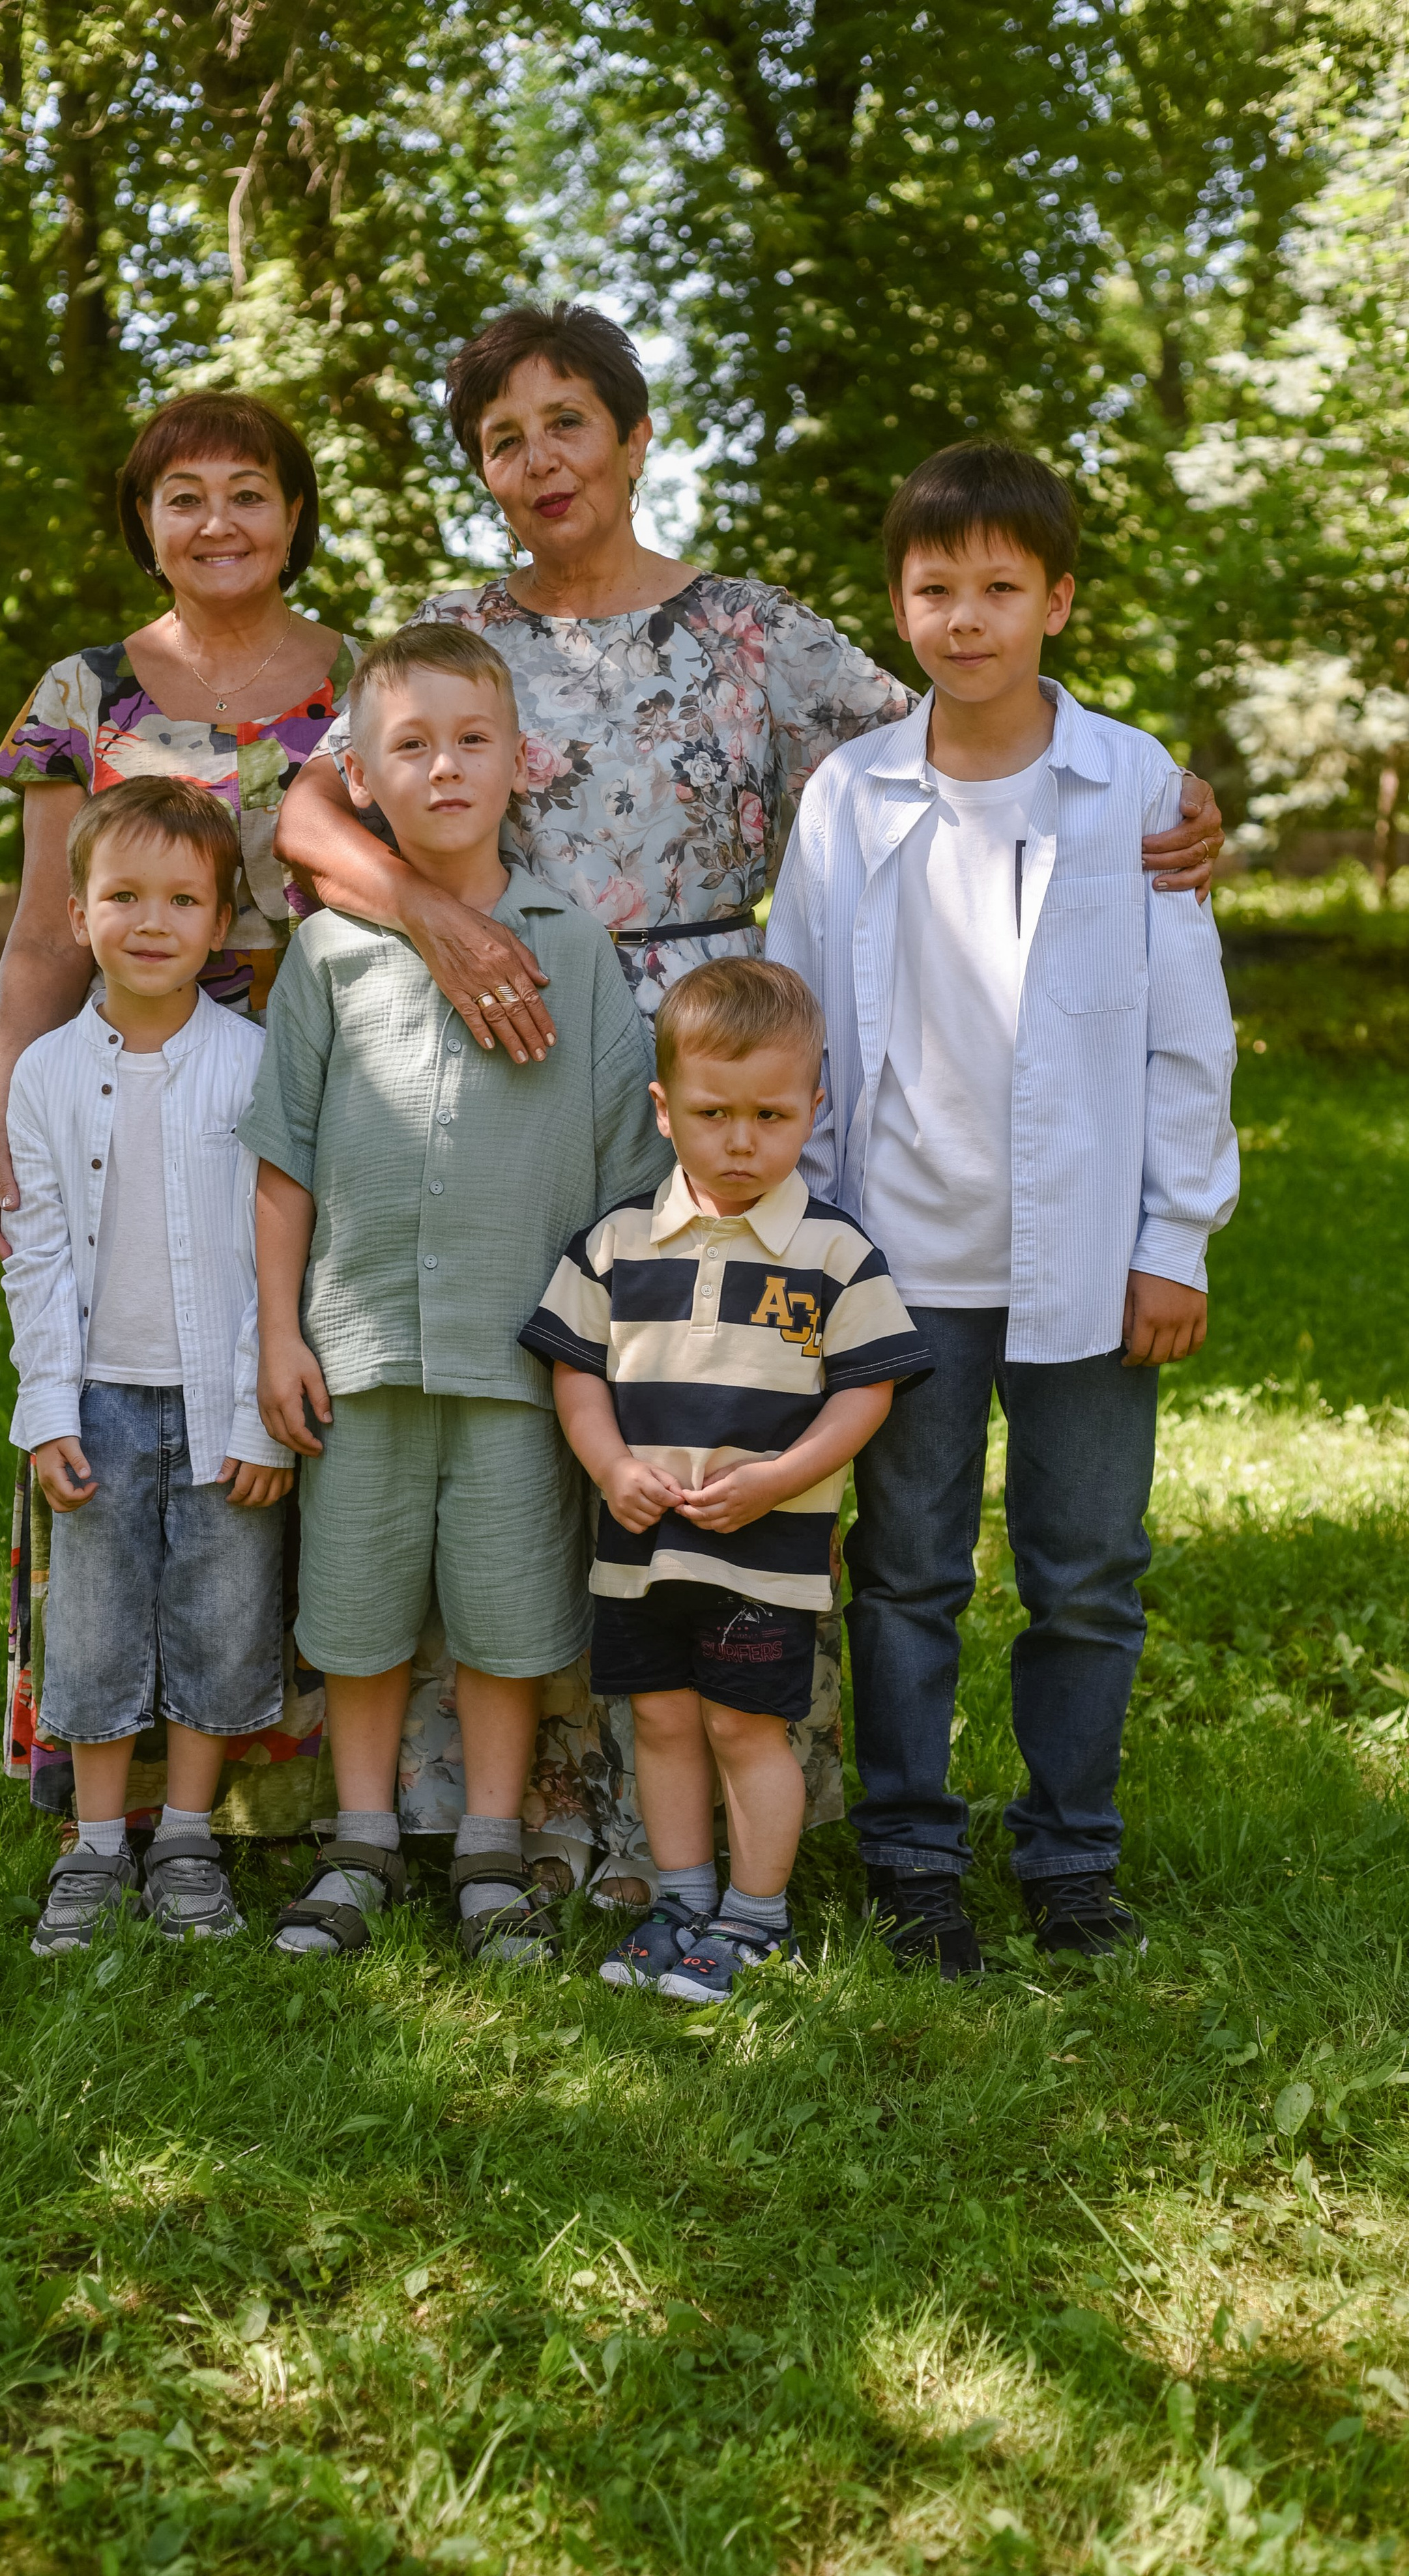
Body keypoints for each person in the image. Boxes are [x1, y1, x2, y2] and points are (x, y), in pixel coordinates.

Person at [272, 302, 1229, 1906]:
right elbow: (311, 795)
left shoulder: (751, 631)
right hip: (504, 1034)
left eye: (568, 421)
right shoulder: (449, 630)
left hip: (727, 1072)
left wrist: (1163, 789)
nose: (540, 459)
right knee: (535, 1396)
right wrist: (437, 917)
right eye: (504, 439)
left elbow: (960, 740)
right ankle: (513, 1810)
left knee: (705, 1404)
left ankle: (718, 1801)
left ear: (633, 438)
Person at [766, 439, 1240, 1980]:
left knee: (1083, 1569)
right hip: (898, 1255)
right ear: (896, 605)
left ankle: (1067, 1853)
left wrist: (1171, 1240)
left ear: (1055, 600)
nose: (963, 618)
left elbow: (1185, 1036)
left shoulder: (1134, 790)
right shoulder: (850, 793)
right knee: (901, 1565)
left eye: (997, 588)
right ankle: (911, 1854)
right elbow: (798, 1026)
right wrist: (808, 1243)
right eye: (932, 588)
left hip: (1091, 1259)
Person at [244, 622, 670, 1964]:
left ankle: (491, 1846)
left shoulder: (570, 947)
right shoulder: (323, 958)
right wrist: (276, 1332)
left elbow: (620, 1165)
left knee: (505, 1614)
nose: (443, 768)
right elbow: (284, 1161)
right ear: (358, 778)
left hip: (519, 1356)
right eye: (410, 746)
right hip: (357, 1349)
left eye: (470, 741)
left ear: (517, 763)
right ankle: (362, 1840)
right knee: (359, 1614)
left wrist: (606, 1353)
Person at [0, 391, 359, 1836]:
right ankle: (108, 1790)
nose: (216, 522)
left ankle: (305, 1786)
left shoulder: (364, 684)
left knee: (292, 1406)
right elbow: (38, 928)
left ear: (294, 513)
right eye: (182, 495)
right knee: (114, 1397)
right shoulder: (82, 695)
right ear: (144, 520)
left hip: (318, 1089)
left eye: (247, 493)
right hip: (120, 1100)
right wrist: (2, 1098)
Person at [523, 961, 931, 1999]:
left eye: (770, 1114)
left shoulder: (834, 1255)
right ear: (664, 1111)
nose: (741, 1141)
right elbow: (577, 1373)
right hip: (642, 1541)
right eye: (713, 1115)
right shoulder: (616, 1245)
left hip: (766, 1545)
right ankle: (681, 1900)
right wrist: (610, 1465)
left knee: (743, 1724)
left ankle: (757, 1918)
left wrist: (781, 1479)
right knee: (659, 1719)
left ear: (814, 1106)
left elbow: (865, 1394)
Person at [1, 778, 294, 1955]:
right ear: (79, 915)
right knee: (97, 1622)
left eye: (184, 899)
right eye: (124, 896)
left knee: (222, 1621)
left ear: (223, 925)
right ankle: (95, 1843)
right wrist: (45, 1405)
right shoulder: (46, 1075)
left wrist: (264, 1420)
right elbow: (37, 1255)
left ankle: (187, 1837)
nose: (153, 921)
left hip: (227, 1403)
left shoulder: (258, 1064)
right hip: (98, 1399)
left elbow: (282, 1252)